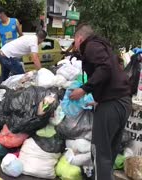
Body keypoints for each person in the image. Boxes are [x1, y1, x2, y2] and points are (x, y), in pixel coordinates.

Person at [69, 24, 132, 180]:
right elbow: (108, 74)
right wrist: (97, 99)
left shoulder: (90, 45)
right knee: (110, 151)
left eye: (74, 41)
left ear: (79, 38)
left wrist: (84, 89)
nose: (75, 45)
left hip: (112, 105)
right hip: (123, 102)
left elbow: (105, 68)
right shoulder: (102, 47)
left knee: (100, 152)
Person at [0, 7, 23, 82]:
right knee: (5, 75)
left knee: (17, 74)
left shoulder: (14, 21)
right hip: (4, 54)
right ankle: (2, 90)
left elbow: (21, 35)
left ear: (2, 14)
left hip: (15, 53)